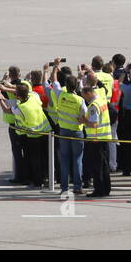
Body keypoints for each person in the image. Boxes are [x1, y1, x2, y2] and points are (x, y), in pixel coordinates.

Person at [0, 82, 48, 189]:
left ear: (18, 96)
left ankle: (36, 180)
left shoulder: (20, 108)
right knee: (43, 157)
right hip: (45, 131)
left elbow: (6, 109)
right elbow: (26, 92)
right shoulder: (34, 96)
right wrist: (6, 88)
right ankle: (44, 177)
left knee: (34, 158)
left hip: (33, 135)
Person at [46, 63, 85, 198]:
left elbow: (54, 81)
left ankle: (64, 187)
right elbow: (84, 116)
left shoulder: (60, 94)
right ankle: (78, 186)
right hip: (76, 131)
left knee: (64, 159)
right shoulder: (79, 100)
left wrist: (55, 67)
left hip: (63, 130)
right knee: (77, 159)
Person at [81, 83, 112, 197]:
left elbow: (93, 124)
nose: (85, 99)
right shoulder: (102, 100)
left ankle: (99, 189)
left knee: (97, 166)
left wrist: (83, 120)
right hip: (104, 137)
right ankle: (106, 188)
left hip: (96, 139)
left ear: (89, 93)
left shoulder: (94, 106)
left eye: (85, 97)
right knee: (104, 165)